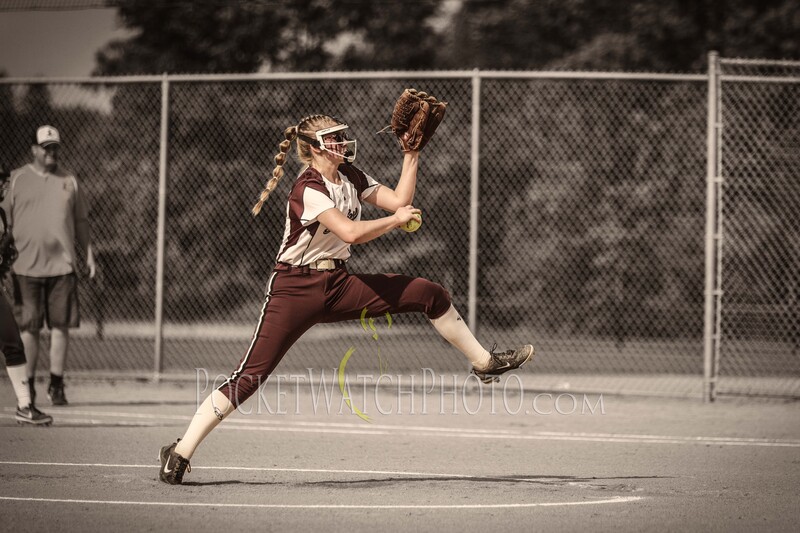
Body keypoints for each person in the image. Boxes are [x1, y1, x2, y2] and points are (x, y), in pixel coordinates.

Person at [158, 114, 534, 484]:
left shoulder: (351, 176)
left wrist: (412, 154)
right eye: (333, 138)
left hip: (337, 283)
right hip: (294, 289)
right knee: (251, 377)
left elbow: (399, 198)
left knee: (429, 293)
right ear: (315, 148)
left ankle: (484, 362)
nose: (341, 142)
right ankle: (180, 453)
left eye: (341, 136)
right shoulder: (307, 187)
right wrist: (395, 221)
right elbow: (351, 232)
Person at [5, 126, 96, 407]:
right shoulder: (17, 180)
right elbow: (3, 220)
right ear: (34, 149)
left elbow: (81, 222)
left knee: (61, 327)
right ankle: (28, 386)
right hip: (24, 266)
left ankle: (56, 384)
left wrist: (89, 254)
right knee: (28, 328)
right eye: (46, 148)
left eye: (55, 147)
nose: (51, 152)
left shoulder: (69, 181)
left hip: (62, 266)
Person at [1, 164, 53, 425]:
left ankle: (24, 405)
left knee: (12, 342)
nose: (3, 185)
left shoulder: (1, 215)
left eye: (2, 180)